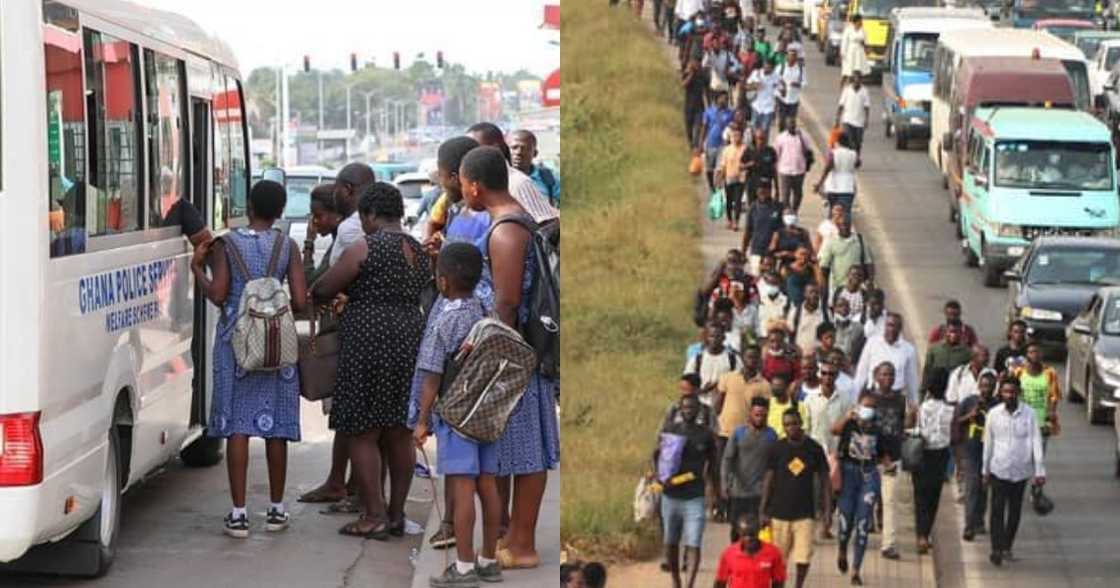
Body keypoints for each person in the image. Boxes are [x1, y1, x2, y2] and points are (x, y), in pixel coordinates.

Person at [458, 146, 560, 568]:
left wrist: (487, 364)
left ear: (476, 185)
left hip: (512, 361)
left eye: (463, 183)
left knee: (528, 454)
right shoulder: (517, 220)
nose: (463, 190)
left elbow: (506, 303)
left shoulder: (505, 230)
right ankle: (517, 540)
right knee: (522, 451)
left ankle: (522, 545)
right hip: (521, 357)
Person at [312, 182, 431, 541]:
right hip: (409, 340)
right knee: (399, 431)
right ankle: (395, 514)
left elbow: (322, 289)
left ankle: (373, 515)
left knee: (363, 432)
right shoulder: (418, 249)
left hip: (368, 341)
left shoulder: (367, 246)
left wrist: (346, 295)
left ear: (370, 215)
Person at [191, 180, 308, 538]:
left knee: (238, 427)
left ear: (250, 208)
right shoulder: (287, 245)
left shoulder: (227, 244)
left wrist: (198, 268)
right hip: (276, 345)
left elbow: (218, 293)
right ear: (280, 211)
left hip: (236, 345)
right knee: (276, 429)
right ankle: (276, 510)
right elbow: (301, 301)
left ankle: (239, 514)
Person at [411, 243, 502, 586]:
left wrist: (421, 421)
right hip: (490, 412)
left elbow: (431, 375)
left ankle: (463, 567)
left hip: (457, 415)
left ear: (443, 282)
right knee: (488, 486)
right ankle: (489, 560)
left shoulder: (445, 319)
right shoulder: (486, 309)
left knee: (462, 488)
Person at [297, 184, 354, 507]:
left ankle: (338, 481)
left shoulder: (342, 245)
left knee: (345, 416)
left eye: (319, 217)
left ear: (335, 215)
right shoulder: (342, 241)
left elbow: (309, 286)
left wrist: (306, 243)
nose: (315, 223)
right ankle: (343, 480)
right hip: (343, 335)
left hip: (341, 339)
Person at [760, 408, 829, 588]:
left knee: (803, 556)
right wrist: (763, 509)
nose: (791, 428)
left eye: (794, 424)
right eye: (787, 425)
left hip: (805, 513)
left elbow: (825, 480)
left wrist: (827, 511)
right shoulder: (777, 448)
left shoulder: (814, 448)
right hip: (779, 513)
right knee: (778, 559)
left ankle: (799, 585)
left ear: (801, 424)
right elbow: (769, 479)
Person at [654, 393, 718, 588]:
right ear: (680, 410)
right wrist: (659, 476)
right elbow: (656, 455)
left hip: (695, 496)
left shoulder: (706, 434)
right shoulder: (670, 430)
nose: (689, 411)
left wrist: (716, 491)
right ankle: (676, 581)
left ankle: (689, 584)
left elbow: (713, 465)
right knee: (670, 543)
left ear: (699, 410)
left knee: (694, 542)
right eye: (685, 408)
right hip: (670, 495)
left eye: (692, 408)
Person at [983, 377, 1046, 566]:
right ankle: (996, 549)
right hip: (998, 469)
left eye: (1012, 392)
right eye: (1005, 392)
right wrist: (985, 470)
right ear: (1000, 393)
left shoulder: (1029, 414)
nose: (1009, 395)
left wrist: (1039, 471)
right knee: (996, 511)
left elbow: (1036, 441)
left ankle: (1006, 545)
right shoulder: (993, 414)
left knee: (1014, 512)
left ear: (1018, 392)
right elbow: (988, 443)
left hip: (1020, 471)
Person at [831, 392, 884, 586]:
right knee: (845, 522)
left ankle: (856, 570)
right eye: (865, 406)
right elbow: (834, 430)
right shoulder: (850, 424)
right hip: (848, 473)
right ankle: (842, 548)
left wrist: (887, 462)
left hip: (868, 475)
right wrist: (847, 416)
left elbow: (885, 453)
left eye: (872, 407)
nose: (868, 411)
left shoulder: (879, 428)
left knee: (862, 524)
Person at [466, 123, 559, 225]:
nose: (518, 153)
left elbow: (546, 226)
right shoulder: (474, 182)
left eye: (474, 148)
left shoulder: (519, 183)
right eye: (514, 148)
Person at [868, 361, 916, 560]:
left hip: (893, 459)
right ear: (876, 377)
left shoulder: (900, 399)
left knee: (889, 501)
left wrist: (911, 417)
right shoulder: (870, 399)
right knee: (867, 500)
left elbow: (905, 425)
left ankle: (889, 544)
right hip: (872, 458)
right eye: (884, 374)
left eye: (891, 375)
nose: (888, 378)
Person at [721, 396, 778, 541]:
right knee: (736, 530)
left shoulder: (772, 436)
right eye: (757, 414)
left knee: (759, 532)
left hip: (760, 493)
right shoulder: (738, 433)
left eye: (763, 415)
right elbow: (727, 459)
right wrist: (724, 484)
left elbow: (775, 466)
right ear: (750, 414)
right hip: (739, 492)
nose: (760, 418)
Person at [913, 368, 954, 554]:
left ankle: (921, 534)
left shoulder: (924, 407)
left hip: (923, 454)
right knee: (933, 497)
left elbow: (918, 428)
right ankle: (925, 533)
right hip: (940, 455)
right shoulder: (950, 409)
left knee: (920, 496)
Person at [956, 370, 999, 542]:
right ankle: (969, 526)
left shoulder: (997, 406)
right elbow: (957, 421)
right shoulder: (969, 402)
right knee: (972, 486)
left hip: (990, 451)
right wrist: (969, 415)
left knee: (984, 486)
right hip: (971, 450)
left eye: (989, 387)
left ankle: (979, 520)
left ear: (994, 388)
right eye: (982, 386)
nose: (985, 390)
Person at [854, 313, 920, 405]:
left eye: (895, 326)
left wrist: (914, 404)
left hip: (895, 398)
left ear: (900, 329)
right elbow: (861, 373)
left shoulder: (908, 350)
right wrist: (854, 399)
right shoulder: (872, 343)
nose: (892, 329)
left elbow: (912, 380)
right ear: (885, 326)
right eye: (889, 325)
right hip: (873, 396)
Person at [1012, 341, 1062, 452]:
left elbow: (1054, 396)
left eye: (1037, 352)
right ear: (1026, 355)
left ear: (1041, 354)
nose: (1034, 355)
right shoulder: (1018, 372)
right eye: (1031, 352)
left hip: (1041, 421)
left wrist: (1050, 417)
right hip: (1022, 421)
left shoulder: (1050, 373)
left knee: (1038, 458)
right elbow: (1012, 394)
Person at [714, 516, 788, 588]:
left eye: (752, 534)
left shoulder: (773, 553)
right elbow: (720, 582)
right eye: (744, 534)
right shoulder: (729, 554)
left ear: (758, 532)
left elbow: (778, 581)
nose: (748, 538)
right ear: (739, 533)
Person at [330, 162, 378, 267]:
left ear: (348, 189)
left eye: (336, 189)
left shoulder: (350, 227)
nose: (334, 195)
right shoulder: (380, 219)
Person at [817, 215, 874, 302]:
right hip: (838, 287)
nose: (844, 227)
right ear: (837, 226)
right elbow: (824, 267)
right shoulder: (830, 242)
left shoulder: (859, 240)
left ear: (850, 225)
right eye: (842, 225)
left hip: (857, 287)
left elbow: (868, 262)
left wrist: (870, 281)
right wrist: (824, 287)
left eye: (846, 224)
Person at [685, 322, 739, 408]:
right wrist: (701, 390)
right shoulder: (697, 359)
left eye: (718, 336)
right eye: (711, 336)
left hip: (725, 407)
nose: (714, 339)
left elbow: (740, 381)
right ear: (706, 337)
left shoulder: (733, 359)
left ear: (724, 338)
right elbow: (686, 384)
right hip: (701, 406)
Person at [742, 179, 783, 274]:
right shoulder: (753, 207)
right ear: (757, 191)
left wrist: (774, 246)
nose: (763, 192)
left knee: (771, 279)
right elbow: (748, 231)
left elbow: (781, 230)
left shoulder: (778, 207)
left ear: (770, 190)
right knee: (756, 276)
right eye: (760, 189)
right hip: (756, 249)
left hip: (773, 252)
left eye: (766, 189)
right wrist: (743, 251)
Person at [813, 130, 859, 215]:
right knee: (846, 213)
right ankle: (845, 227)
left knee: (832, 212)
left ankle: (832, 227)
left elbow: (827, 169)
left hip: (833, 187)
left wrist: (819, 184)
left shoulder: (833, 153)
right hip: (848, 188)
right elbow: (857, 164)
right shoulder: (853, 154)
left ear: (838, 142)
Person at [510, 129, 560, 206]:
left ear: (535, 153)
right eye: (514, 147)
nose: (518, 152)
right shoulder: (499, 178)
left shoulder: (549, 178)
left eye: (525, 148)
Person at [921, 321, 972, 394]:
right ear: (945, 332)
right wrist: (922, 393)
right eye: (951, 332)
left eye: (956, 332)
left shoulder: (967, 352)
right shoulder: (934, 349)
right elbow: (927, 372)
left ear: (960, 333)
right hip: (936, 392)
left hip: (956, 392)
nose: (953, 335)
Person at [773, 117, 811, 212]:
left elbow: (808, 150)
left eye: (793, 123)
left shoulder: (803, 136)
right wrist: (776, 167)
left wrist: (800, 137)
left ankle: (794, 210)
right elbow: (776, 153)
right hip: (785, 170)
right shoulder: (781, 138)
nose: (792, 126)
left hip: (799, 169)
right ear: (786, 125)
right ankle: (787, 213)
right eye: (789, 124)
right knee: (785, 194)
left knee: (798, 193)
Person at [716, 124, 750, 230]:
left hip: (741, 178)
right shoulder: (727, 150)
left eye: (738, 136)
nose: (736, 138)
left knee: (738, 200)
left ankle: (736, 221)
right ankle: (729, 220)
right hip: (729, 178)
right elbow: (723, 165)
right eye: (734, 136)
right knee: (729, 201)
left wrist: (745, 167)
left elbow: (750, 162)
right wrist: (719, 179)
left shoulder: (746, 149)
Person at [701, 92, 736, 192]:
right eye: (722, 99)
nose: (724, 101)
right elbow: (704, 127)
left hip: (723, 145)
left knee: (719, 169)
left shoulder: (730, 113)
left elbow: (734, 126)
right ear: (717, 99)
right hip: (711, 143)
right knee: (709, 169)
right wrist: (700, 144)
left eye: (726, 99)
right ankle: (711, 187)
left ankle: (718, 187)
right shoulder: (709, 112)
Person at [835, 73, 871, 157]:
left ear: (861, 81)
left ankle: (857, 157)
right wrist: (837, 118)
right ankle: (849, 158)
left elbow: (867, 107)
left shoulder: (864, 91)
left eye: (858, 81)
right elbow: (841, 105)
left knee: (858, 142)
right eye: (855, 81)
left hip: (859, 122)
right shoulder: (847, 90)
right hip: (847, 120)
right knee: (848, 140)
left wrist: (866, 119)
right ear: (852, 81)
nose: (856, 83)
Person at [740, 128, 778, 208]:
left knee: (766, 208)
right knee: (752, 208)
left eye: (763, 138)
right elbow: (740, 167)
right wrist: (748, 164)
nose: (761, 141)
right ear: (755, 139)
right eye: (759, 138)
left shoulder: (771, 151)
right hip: (752, 184)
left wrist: (777, 188)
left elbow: (774, 170)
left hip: (766, 184)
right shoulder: (749, 150)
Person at [746, 60, 781, 139]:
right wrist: (755, 86)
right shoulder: (756, 73)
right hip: (756, 106)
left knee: (765, 130)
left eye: (769, 68)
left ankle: (764, 147)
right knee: (754, 128)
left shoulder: (776, 77)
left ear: (773, 69)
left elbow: (782, 91)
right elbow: (747, 86)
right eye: (765, 66)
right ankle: (754, 147)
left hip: (768, 108)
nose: (766, 69)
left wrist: (779, 90)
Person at [769, 207, 811, 271]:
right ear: (783, 218)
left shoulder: (803, 232)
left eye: (792, 214)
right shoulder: (778, 233)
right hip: (784, 267)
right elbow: (771, 252)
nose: (790, 216)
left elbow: (809, 250)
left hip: (800, 266)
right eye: (787, 214)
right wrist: (782, 254)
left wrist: (794, 255)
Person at [768, 373, 808, 439]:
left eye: (778, 386)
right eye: (773, 385)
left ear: (787, 387)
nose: (775, 388)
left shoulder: (798, 406)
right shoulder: (768, 404)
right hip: (771, 445)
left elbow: (804, 428)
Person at [788, 282, 825, 353]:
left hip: (819, 357)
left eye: (817, 292)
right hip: (800, 357)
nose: (814, 295)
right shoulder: (795, 312)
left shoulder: (825, 313)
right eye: (811, 292)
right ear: (804, 294)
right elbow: (789, 335)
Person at [776, 48, 806, 132]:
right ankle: (781, 136)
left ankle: (789, 136)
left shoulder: (800, 69)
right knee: (782, 121)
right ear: (787, 57)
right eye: (790, 56)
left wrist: (798, 84)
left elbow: (804, 82)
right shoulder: (781, 67)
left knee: (791, 122)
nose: (792, 58)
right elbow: (775, 80)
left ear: (796, 58)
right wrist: (781, 88)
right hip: (782, 98)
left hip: (794, 99)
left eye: (794, 56)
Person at [831, 296, 866, 365]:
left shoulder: (858, 328)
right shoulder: (830, 327)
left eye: (846, 306)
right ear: (835, 309)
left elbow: (860, 349)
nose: (844, 308)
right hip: (832, 365)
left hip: (850, 366)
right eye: (840, 306)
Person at [682, 59, 709, 150]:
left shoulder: (702, 76)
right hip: (689, 105)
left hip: (699, 105)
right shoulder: (687, 74)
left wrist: (708, 104)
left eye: (698, 63)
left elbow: (706, 90)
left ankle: (695, 145)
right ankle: (690, 143)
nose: (696, 65)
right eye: (694, 63)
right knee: (688, 126)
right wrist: (691, 74)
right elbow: (684, 85)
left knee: (698, 126)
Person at [780, 245, 816, 310]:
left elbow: (818, 285)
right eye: (801, 254)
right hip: (789, 304)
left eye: (806, 255)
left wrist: (815, 265)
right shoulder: (786, 268)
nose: (804, 257)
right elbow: (783, 286)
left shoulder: (810, 270)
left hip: (804, 306)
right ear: (795, 254)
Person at [840, 15, 869, 87]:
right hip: (850, 52)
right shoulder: (848, 30)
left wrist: (866, 48)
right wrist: (842, 53)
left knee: (858, 70)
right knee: (848, 71)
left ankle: (856, 85)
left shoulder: (863, 31)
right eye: (860, 21)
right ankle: (844, 84)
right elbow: (844, 42)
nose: (861, 22)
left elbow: (866, 42)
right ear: (856, 22)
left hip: (859, 52)